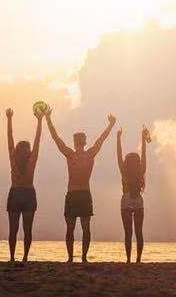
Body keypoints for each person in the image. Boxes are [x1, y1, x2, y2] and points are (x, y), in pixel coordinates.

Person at [45, 110, 115, 262]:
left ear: (83, 141)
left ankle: (83, 257)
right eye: (78, 139)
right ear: (76, 141)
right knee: (71, 228)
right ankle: (71, 257)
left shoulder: (89, 154)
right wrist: (49, 119)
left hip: (83, 194)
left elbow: (101, 140)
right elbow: (57, 139)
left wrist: (111, 125)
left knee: (85, 228)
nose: (79, 141)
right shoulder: (70, 154)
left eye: (80, 139)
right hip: (73, 194)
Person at [4, 106, 44, 262]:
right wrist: (40, 121)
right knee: (26, 229)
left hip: (17, 193)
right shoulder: (30, 160)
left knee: (14, 229)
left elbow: (10, 137)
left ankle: (14, 257)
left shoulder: (14, 160)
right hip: (26, 194)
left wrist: (9, 118)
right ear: (27, 151)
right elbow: (37, 139)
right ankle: (23, 257)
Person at [117, 125, 153, 263]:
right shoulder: (141, 170)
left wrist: (118, 138)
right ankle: (138, 259)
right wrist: (143, 138)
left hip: (126, 200)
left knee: (128, 233)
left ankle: (128, 259)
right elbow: (144, 153)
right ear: (137, 162)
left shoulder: (123, 170)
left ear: (126, 162)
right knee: (139, 232)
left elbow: (119, 154)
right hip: (138, 200)